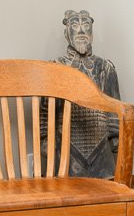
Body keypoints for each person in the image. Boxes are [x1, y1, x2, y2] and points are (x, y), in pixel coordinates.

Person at [51, 10, 122, 179]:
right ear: (67, 33)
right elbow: (47, 109)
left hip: (101, 148)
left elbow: (114, 104)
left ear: (91, 33)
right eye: (75, 25)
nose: (81, 30)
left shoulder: (105, 67)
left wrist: (115, 135)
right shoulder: (55, 68)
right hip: (66, 149)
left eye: (86, 25)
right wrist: (45, 137)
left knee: (106, 188)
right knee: (68, 191)